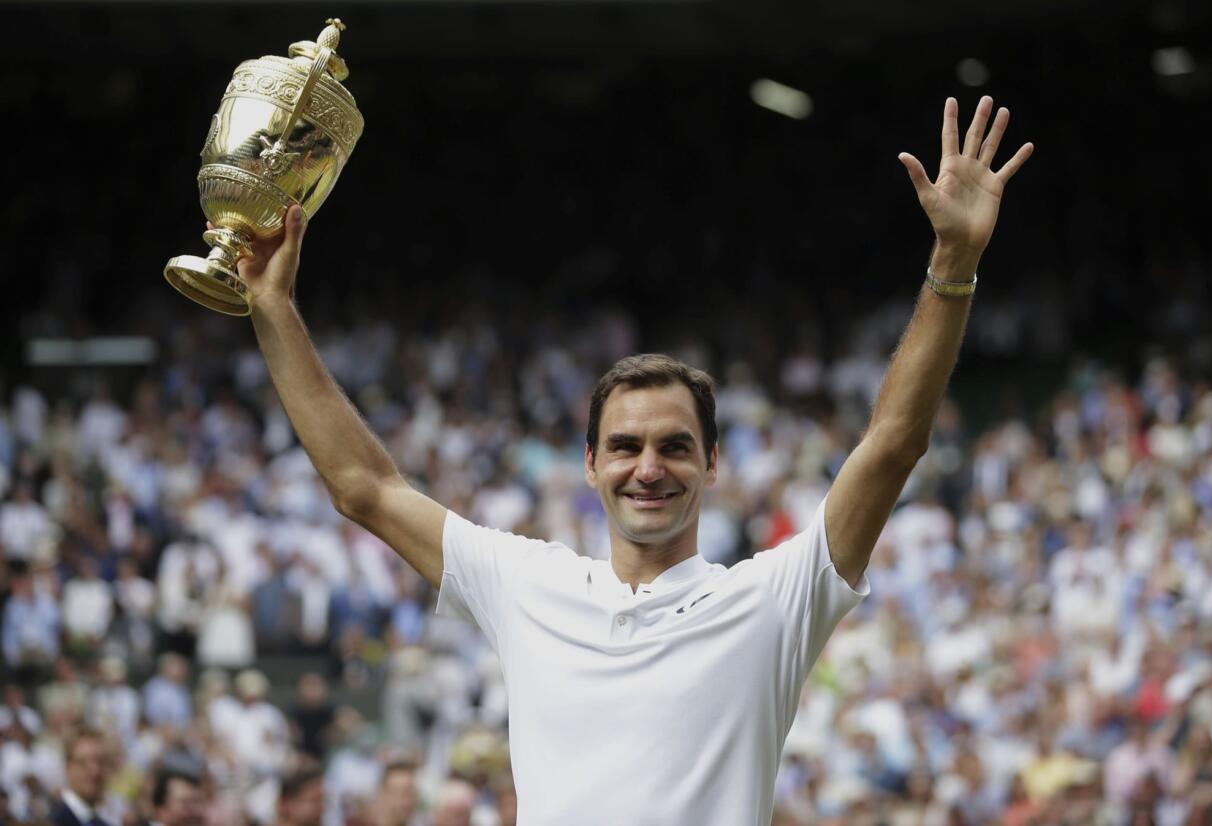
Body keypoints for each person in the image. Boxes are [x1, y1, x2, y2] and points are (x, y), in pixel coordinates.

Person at [237, 96, 1032, 825]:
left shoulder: (771, 602)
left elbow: (893, 444)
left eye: (675, 446)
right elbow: (364, 488)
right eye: (624, 446)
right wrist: (273, 308)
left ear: (713, 464)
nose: (648, 466)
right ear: (589, 465)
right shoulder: (526, 584)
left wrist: (953, 264)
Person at [50, 728, 116, 826]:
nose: (95, 771)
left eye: (100, 762)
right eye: (83, 763)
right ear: (67, 767)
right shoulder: (53, 821)